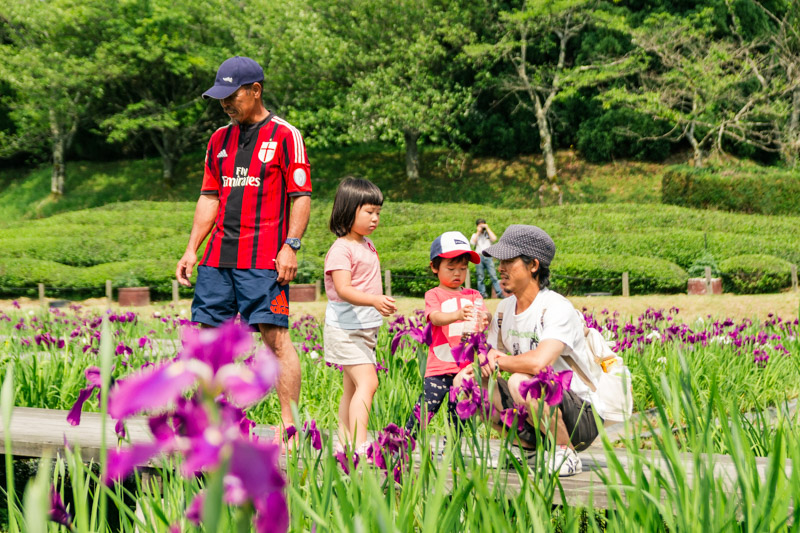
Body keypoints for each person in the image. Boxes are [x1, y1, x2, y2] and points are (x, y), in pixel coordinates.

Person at [175, 56, 311, 441]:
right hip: (218, 259)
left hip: (265, 259)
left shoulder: (286, 135)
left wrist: (291, 246)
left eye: (232, 96)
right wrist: (191, 250)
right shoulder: (218, 140)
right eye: (220, 98)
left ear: (255, 91)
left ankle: (290, 427)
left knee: (275, 340)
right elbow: (209, 197)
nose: (225, 104)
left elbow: (301, 196)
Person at [460, 225, 608, 477]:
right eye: (500, 261)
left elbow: (539, 363)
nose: (501, 268)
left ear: (534, 266)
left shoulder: (556, 308)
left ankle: (566, 452)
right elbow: (493, 361)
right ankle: (524, 449)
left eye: (509, 261)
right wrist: (478, 352)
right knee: (466, 381)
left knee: (521, 381)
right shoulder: (504, 310)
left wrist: (499, 360)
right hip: (536, 411)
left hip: (582, 415)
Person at [324, 177, 396, 453]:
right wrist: (375, 300)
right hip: (345, 329)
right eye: (369, 212)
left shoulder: (366, 244)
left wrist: (377, 304)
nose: (375, 218)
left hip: (364, 330)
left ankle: (345, 443)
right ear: (348, 210)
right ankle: (360, 444)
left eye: (378, 212)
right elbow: (343, 289)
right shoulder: (341, 248)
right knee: (369, 382)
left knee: (352, 388)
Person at [404, 231, 488, 435]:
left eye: (463, 268)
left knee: (459, 414)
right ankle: (403, 443)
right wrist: (457, 315)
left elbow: (483, 319)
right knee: (425, 409)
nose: (457, 273)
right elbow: (435, 318)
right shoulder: (434, 294)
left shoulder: (474, 294)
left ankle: (453, 449)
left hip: (466, 368)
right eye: (450, 268)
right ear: (434, 267)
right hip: (440, 367)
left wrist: (487, 319)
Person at [470, 219, 503, 299]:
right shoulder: (475, 235)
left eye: (483, 225)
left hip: (488, 256)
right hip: (479, 256)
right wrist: (478, 232)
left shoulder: (487, 234)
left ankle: (499, 293)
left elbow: (494, 239)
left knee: (493, 276)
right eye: (480, 225)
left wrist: (487, 229)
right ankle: (482, 294)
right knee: (480, 277)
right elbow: (472, 243)